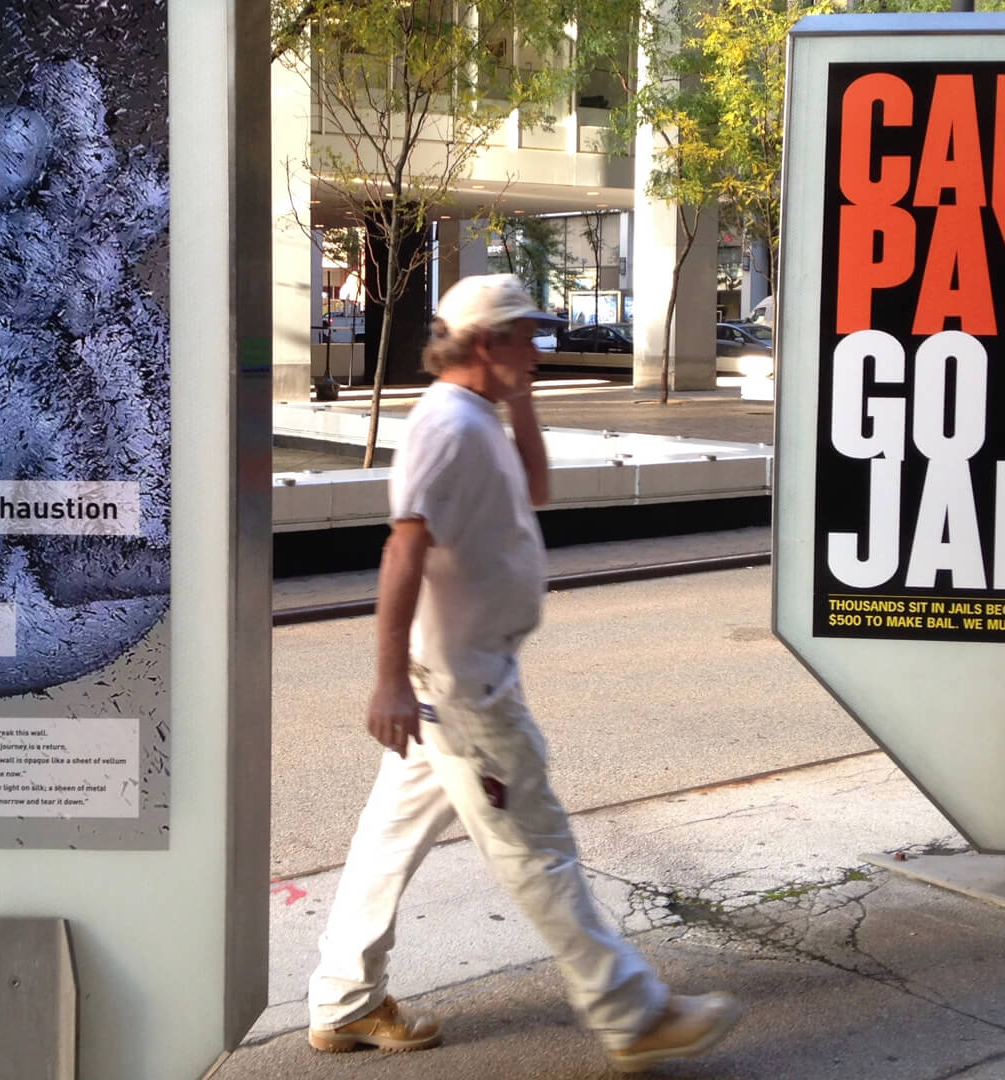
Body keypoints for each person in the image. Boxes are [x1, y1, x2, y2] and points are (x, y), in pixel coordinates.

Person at [305, 274, 745, 1072]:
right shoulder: (446, 426)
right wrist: (388, 682)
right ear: (485, 343)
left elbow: (536, 490)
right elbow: (403, 549)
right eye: (525, 337)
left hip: (455, 683)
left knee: (386, 842)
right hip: (465, 693)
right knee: (538, 849)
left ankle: (345, 1001)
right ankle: (631, 1013)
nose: (538, 349)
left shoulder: (476, 417)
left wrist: (521, 404)